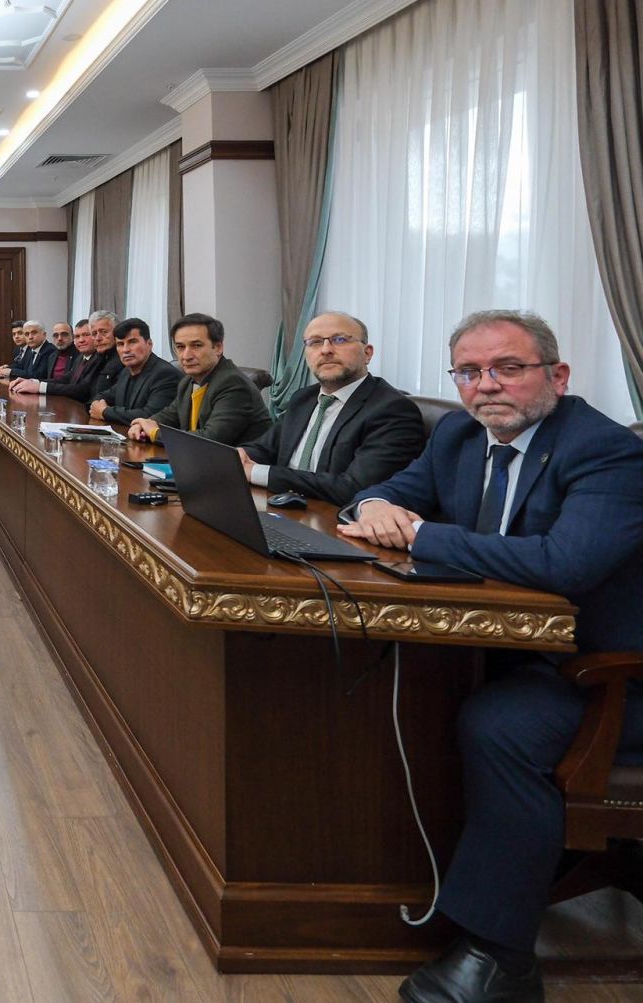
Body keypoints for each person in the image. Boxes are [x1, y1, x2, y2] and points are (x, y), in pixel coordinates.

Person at [336, 311, 643, 1003]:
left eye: (508, 367)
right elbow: (384, 494)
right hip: (517, 651)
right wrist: (376, 503)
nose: (487, 385)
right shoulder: (457, 435)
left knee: (498, 724)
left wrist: (424, 537)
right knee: (410, 690)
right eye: (469, 372)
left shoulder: (606, 452)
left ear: (557, 376)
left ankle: (500, 956)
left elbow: (565, 564)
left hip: (611, 675)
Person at [236, 312, 422, 506]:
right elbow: (265, 448)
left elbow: (354, 488)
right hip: (282, 506)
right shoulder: (303, 398)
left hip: (332, 517)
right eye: (315, 342)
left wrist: (256, 472)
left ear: (367, 353)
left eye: (340, 340)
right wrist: (240, 456)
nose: (325, 350)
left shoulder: (393, 410)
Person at [126, 313, 270, 445]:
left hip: (239, 464)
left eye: (196, 346)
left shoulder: (234, 384)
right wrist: (144, 424)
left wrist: (155, 432)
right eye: (180, 347)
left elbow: (211, 439)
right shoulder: (188, 381)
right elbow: (170, 415)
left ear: (218, 348)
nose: (186, 356)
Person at [87, 318, 181, 428]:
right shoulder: (126, 371)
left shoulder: (165, 374)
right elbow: (102, 395)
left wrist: (105, 412)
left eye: (132, 342)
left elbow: (150, 416)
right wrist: (96, 405)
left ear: (149, 344)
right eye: (120, 344)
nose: (125, 350)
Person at [10, 311, 120, 402]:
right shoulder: (83, 357)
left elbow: (83, 390)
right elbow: (66, 378)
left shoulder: (110, 358)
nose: (98, 338)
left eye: (86, 335)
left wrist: (40, 387)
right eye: (94, 333)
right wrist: (34, 382)